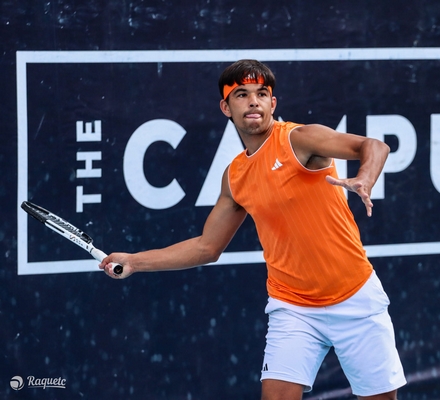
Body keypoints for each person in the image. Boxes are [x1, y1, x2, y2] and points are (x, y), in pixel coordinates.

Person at [99, 59, 407, 400]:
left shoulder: (300, 139)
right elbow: (206, 247)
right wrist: (134, 261)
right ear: (225, 107)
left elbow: (374, 146)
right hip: (292, 306)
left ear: (272, 103)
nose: (253, 101)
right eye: (242, 94)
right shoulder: (235, 177)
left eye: (261, 94)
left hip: (355, 296)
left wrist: (365, 178)